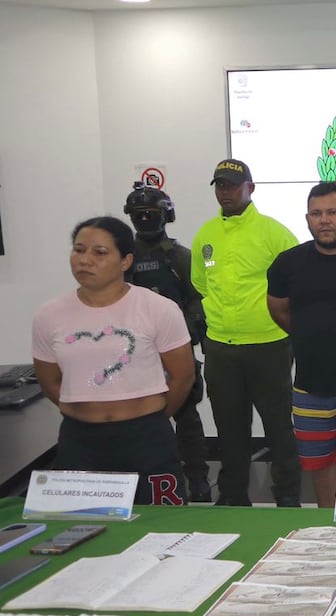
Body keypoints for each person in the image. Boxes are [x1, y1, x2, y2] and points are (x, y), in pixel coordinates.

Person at [32, 217, 196, 506]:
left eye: (99, 252)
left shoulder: (158, 309)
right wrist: (88, 410)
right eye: (79, 250)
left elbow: (182, 376)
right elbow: (49, 381)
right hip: (79, 439)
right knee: (78, 525)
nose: (85, 260)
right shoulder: (49, 315)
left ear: (125, 261)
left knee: (161, 525)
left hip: (146, 438)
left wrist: (150, 419)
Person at [191, 158, 302, 507]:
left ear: (250, 188)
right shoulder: (206, 234)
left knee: (278, 428)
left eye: (232, 185)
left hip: (268, 346)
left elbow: (296, 283)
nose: (225, 192)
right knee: (229, 429)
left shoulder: (274, 233)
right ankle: (233, 497)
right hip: (221, 348)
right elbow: (200, 283)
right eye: (220, 185)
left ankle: (286, 498)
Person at [266, 183, 336, 508]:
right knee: (320, 465)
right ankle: (327, 528)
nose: (324, 220)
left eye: (333, 212)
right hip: (310, 390)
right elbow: (279, 309)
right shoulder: (288, 263)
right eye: (316, 214)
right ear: (307, 219)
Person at [123, 182, 211, 502]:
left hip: (176, 351)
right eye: (139, 214)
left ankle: (198, 480)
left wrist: (183, 332)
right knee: (141, 419)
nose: (145, 219)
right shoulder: (124, 260)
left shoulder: (180, 257)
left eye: (151, 213)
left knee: (187, 419)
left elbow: (198, 300)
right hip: (137, 354)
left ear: (166, 215)